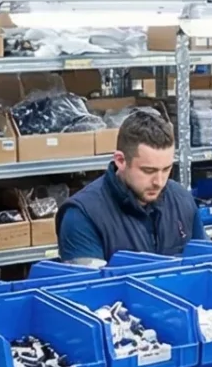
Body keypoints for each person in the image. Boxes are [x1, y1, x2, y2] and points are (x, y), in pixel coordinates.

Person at [56, 106, 198, 263]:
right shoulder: (82, 215)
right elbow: (91, 286)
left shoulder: (182, 200)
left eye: (166, 169)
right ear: (121, 161)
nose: (159, 181)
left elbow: (206, 265)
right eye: (148, 170)